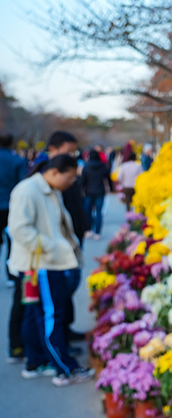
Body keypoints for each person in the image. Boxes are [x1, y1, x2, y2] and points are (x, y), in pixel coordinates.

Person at [8, 154, 94, 386]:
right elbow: (18, 229)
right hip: (42, 265)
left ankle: (35, 362)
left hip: (43, 263)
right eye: (70, 177)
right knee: (51, 316)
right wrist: (52, 247)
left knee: (36, 315)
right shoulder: (28, 190)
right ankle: (65, 369)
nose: (72, 183)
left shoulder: (49, 188)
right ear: (55, 172)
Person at [31, 132, 89, 346]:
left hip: (67, 241)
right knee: (48, 304)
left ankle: (64, 333)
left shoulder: (59, 179)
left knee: (66, 291)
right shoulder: (38, 183)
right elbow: (21, 228)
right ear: (53, 151)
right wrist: (51, 246)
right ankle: (48, 350)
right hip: (49, 253)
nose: (73, 155)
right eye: (69, 151)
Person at [0, 132, 27, 288]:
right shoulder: (17, 160)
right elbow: (22, 184)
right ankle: (11, 274)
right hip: (11, 205)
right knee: (13, 241)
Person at [81, 150, 114, 240]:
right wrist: (111, 189)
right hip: (100, 191)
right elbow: (108, 178)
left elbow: (83, 180)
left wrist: (81, 190)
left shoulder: (86, 167)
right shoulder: (102, 166)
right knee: (99, 212)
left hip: (88, 192)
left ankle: (88, 230)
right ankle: (97, 232)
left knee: (88, 211)